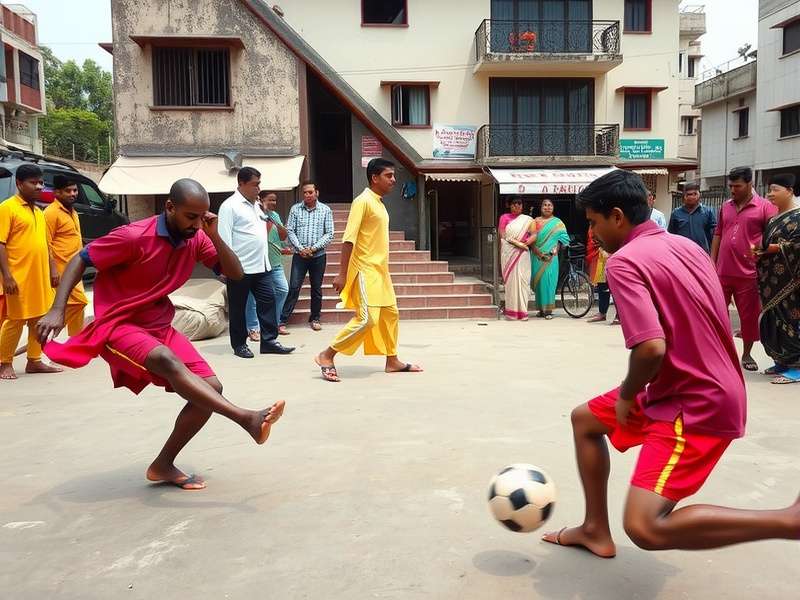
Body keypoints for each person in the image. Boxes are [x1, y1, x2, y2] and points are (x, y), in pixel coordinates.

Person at [542, 169, 800, 558]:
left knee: (645, 526)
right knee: (585, 420)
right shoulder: (687, 247)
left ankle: (789, 521)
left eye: (593, 222)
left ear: (617, 216)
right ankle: (594, 529)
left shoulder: (624, 262)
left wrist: (627, 395)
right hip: (688, 387)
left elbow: (650, 349)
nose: (591, 234)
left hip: (695, 402)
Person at [37, 179, 286, 490]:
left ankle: (163, 465)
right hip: (119, 324)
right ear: (169, 207)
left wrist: (214, 235)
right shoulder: (133, 236)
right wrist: (57, 309)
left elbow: (235, 274)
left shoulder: (197, 237)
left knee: (210, 388)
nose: (197, 225)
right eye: (190, 217)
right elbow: (80, 258)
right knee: (167, 360)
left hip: (159, 324)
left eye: (202, 217)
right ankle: (245, 418)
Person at [314, 158, 422, 382]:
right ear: (374, 178)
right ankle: (327, 355)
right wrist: (342, 273)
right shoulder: (362, 201)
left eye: (393, 175)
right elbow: (348, 239)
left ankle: (392, 360)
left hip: (381, 272)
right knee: (367, 319)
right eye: (388, 175)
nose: (393, 180)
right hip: (365, 270)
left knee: (391, 314)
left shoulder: (379, 203)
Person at [218, 167, 294, 358]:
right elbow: (223, 239)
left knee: (268, 302)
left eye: (259, 184)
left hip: (262, 266)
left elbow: (264, 233)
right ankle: (239, 345)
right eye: (255, 184)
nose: (258, 188)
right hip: (240, 268)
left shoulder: (257, 206)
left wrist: (266, 213)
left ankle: (269, 342)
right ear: (241, 183)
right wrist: (226, 268)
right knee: (238, 308)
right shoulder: (230, 206)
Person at [711, 167, 777, 372]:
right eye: (730, 186)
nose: (733, 190)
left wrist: (754, 252)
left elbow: (773, 239)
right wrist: (712, 262)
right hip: (722, 271)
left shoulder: (765, 207)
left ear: (750, 184)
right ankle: (718, 353)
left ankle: (746, 354)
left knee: (748, 318)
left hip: (749, 273)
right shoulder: (726, 206)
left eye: (737, 186)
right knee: (714, 313)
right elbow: (718, 234)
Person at [0, 164, 62, 380]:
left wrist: (52, 269)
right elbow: (1, 243)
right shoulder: (7, 208)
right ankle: (4, 362)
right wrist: (7, 276)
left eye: (41, 182)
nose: (39, 186)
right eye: (33, 182)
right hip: (18, 276)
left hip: (40, 276)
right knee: (15, 319)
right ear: (19, 183)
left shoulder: (39, 211)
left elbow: (46, 244)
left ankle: (34, 360)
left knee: (40, 318)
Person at [754, 173, 800, 384]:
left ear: (789, 191)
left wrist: (771, 248)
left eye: (775, 189)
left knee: (790, 320)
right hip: (770, 280)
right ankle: (781, 361)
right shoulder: (773, 219)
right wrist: (758, 252)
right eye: (769, 190)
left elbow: (796, 246)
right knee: (772, 320)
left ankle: (796, 367)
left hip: (791, 282)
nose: (770, 194)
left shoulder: (798, 217)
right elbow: (766, 245)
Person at [280, 182, 334, 332]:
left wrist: (313, 248)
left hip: (318, 256)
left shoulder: (325, 210)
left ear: (317, 193)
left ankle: (315, 318)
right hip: (300, 256)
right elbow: (290, 230)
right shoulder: (295, 209)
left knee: (316, 288)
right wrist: (301, 249)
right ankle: (282, 320)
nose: (307, 195)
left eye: (310, 192)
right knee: (294, 287)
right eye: (305, 192)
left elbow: (329, 234)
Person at [44, 174, 88, 338]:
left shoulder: (73, 211)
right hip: (61, 270)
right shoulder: (51, 213)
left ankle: (75, 341)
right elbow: (46, 243)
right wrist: (53, 270)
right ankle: (46, 333)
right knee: (79, 302)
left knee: (78, 307)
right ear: (57, 193)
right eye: (68, 191)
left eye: (75, 190)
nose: (73, 194)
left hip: (75, 267)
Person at [245, 191, 290, 340]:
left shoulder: (274, 215)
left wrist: (272, 218)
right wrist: (262, 213)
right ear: (261, 200)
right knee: (252, 297)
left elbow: (283, 236)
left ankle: (273, 324)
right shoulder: (254, 215)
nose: (273, 203)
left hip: (275, 262)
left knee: (283, 289)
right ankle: (253, 328)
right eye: (270, 200)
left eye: (275, 200)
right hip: (256, 262)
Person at [498, 198, 538, 321]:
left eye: (519, 203)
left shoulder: (528, 220)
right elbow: (503, 236)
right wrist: (517, 244)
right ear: (509, 205)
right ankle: (512, 313)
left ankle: (523, 312)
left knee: (523, 281)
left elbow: (534, 235)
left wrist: (524, 244)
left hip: (523, 254)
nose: (517, 206)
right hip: (509, 253)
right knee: (511, 283)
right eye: (514, 204)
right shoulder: (504, 217)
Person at [531, 199, 570, 319]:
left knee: (549, 281)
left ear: (553, 208)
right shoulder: (534, 222)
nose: (547, 207)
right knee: (539, 283)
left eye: (550, 205)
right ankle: (540, 309)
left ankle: (548, 310)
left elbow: (563, 239)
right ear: (541, 207)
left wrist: (556, 249)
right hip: (536, 256)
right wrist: (537, 252)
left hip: (551, 257)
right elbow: (530, 238)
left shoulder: (558, 223)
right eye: (545, 205)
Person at [667, 182, 717, 252]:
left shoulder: (707, 212)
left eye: (695, 194)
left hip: (702, 254)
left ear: (699, 195)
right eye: (688, 194)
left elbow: (715, 236)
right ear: (684, 196)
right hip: (682, 254)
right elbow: (671, 237)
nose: (692, 197)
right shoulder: (676, 213)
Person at [585, 227, 619, 325]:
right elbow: (594, 238)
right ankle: (602, 312)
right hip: (600, 256)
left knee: (616, 288)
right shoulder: (594, 223)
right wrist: (601, 248)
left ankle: (619, 315)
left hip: (614, 255)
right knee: (602, 286)